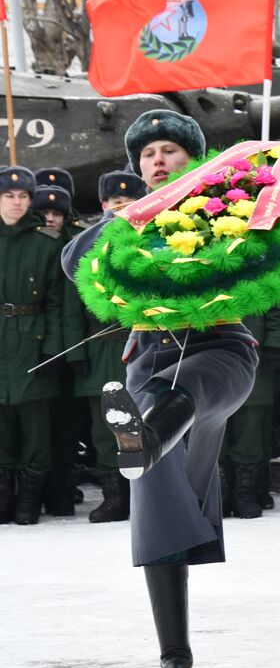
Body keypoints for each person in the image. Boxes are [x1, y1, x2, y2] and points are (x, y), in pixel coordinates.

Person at [62, 110, 259, 668]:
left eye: (169, 151)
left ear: (191, 158)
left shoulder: (230, 205)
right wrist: (123, 223)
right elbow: (74, 263)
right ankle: (175, 657)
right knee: (157, 506)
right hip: (147, 359)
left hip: (220, 348)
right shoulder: (126, 219)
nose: (157, 162)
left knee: (186, 391)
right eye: (147, 155)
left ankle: (145, 436)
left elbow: (264, 255)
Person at [1, 167, 79, 525]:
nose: (17, 203)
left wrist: (52, 348)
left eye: (23, 197)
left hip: (31, 340)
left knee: (36, 427)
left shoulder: (46, 242)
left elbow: (57, 302)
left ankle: (28, 501)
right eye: (8, 196)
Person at [74, 171, 148, 523]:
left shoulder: (155, 237)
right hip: (103, 347)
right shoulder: (89, 244)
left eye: (130, 203)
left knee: (148, 421)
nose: (123, 209)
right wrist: (75, 355)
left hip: (146, 343)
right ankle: (114, 496)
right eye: (116, 204)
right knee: (107, 427)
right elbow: (73, 302)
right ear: (103, 205)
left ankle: (147, 498)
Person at [218, 305, 280, 518]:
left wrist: (275, 345)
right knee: (213, 423)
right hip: (210, 353)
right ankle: (219, 490)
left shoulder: (260, 270)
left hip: (253, 354)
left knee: (252, 425)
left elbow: (278, 311)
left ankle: (245, 491)